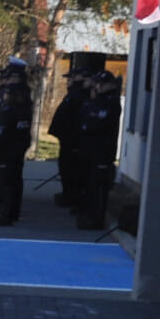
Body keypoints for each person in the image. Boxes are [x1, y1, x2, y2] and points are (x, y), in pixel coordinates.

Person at [0, 59, 34, 226]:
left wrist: (0, 144)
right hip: (9, 143)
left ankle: (6, 213)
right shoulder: (17, 96)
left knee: (10, 180)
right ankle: (8, 211)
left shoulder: (20, 97)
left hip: (11, 145)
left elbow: (11, 124)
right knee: (10, 179)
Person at [74, 71, 124, 230]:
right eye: (97, 84)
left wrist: (89, 124)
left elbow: (98, 124)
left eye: (101, 84)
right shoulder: (95, 101)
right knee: (89, 185)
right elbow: (84, 120)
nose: (98, 87)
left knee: (98, 187)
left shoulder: (111, 103)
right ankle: (88, 214)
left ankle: (96, 218)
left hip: (102, 151)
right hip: (90, 150)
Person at [47, 70, 89, 208]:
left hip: (72, 139)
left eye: (71, 78)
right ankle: (67, 194)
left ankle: (71, 196)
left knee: (71, 170)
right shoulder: (73, 93)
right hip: (66, 138)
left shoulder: (79, 94)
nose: (68, 81)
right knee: (65, 169)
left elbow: (75, 118)